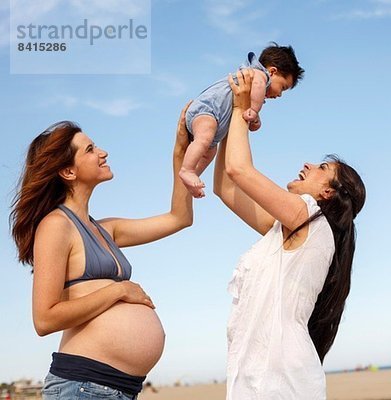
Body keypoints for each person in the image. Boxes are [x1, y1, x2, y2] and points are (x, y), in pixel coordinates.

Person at [9, 105, 193, 399]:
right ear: (68, 171)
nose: (103, 152)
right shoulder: (56, 226)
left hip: (115, 389)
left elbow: (179, 218)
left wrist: (181, 153)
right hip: (83, 386)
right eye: (90, 149)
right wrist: (118, 292)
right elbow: (44, 319)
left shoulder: (107, 230)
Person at [213, 69, 366, 399]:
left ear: (327, 193)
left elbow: (238, 169)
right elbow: (225, 186)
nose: (309, 164)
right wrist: (227, 117)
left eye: (322, 169)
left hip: (279, 381)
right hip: (259, 376)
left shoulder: (308, 213)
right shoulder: (291, 226)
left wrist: (243, 108)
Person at [181, 43, 304, 198]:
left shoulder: (254, 93)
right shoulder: (258, 75)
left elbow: (247, 116)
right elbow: (256, 92)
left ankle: (192, 177)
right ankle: (187, 170)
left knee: (209, 151)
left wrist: (254, 119)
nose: (280, 95)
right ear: (272, 72)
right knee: (204, 138)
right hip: (207, 110)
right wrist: (254, 110)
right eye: (283, 87)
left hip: (214, 120)